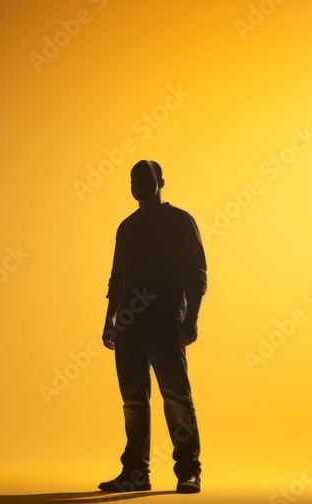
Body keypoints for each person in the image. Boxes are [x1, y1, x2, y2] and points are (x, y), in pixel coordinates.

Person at [98, 160, 206, 494]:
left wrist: (191, 319)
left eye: (145, 180)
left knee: (176, 398)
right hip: (129, 327)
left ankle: (188, 470)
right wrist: (109, 320)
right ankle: (135, 473)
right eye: (133, 181)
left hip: (166, 324)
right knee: (133, 402)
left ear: (161, 182)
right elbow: (117, 278)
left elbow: (197, 275)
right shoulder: (126, 228)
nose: (139, 186)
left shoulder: (179, 221)